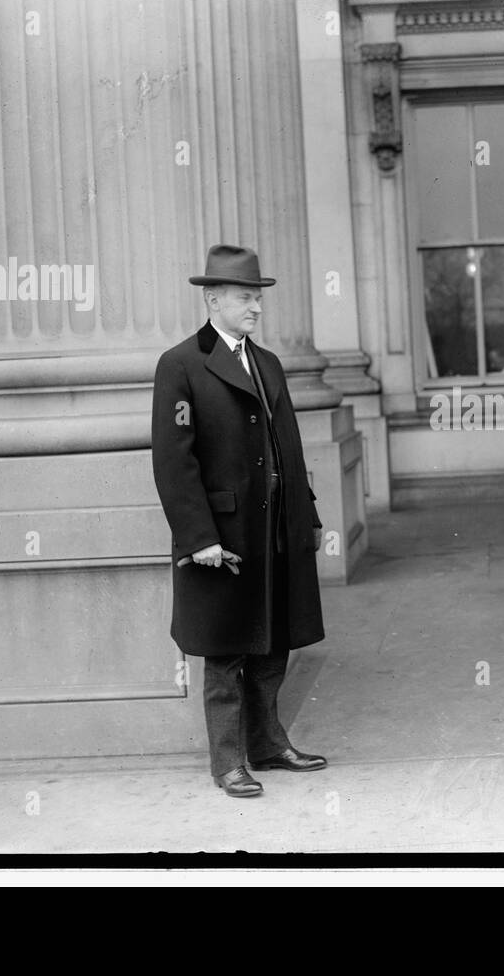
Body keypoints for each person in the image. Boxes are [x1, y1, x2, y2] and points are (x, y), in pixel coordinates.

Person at [151, 244, 328, 798]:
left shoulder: (268, 362)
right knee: (227, 652)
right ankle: (228, 763)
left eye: (258, 298)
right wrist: (198, 537)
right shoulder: (180, 365)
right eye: (245, 298)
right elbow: (173, 462)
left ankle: (269, 744)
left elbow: (289, 449)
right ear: (213, 299)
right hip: (224, 538)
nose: (256, 308)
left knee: (274, 643)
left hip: (276, 528)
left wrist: (310, 514)